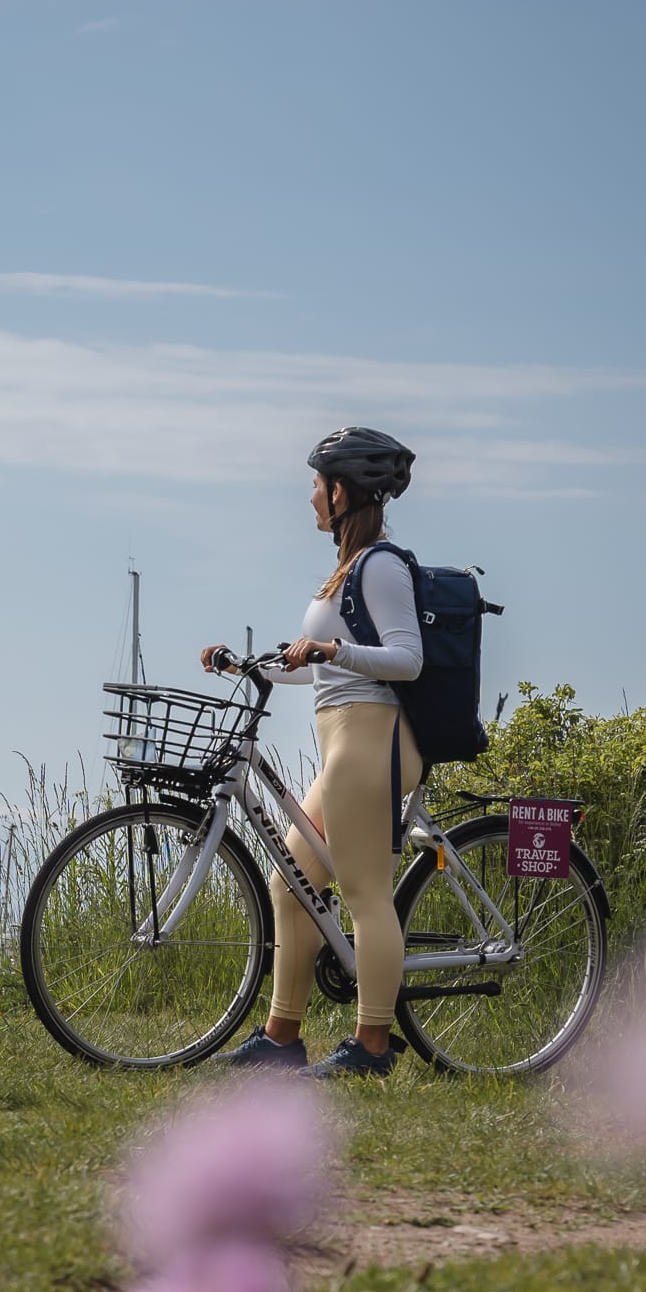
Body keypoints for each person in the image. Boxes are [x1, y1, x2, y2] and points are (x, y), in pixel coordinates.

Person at [200, 427, 423, 1080]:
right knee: (291, 884)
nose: (310, 499)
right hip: (344, 738)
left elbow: (408, 659)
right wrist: (253, 666)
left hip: (372, 740)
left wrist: (334, 652)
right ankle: (280, 1038)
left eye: (317, 486)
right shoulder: (346, 572)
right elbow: (319, 667)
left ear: (343, 491)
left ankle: (372, 1046)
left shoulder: (381, 566)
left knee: (364, 894)